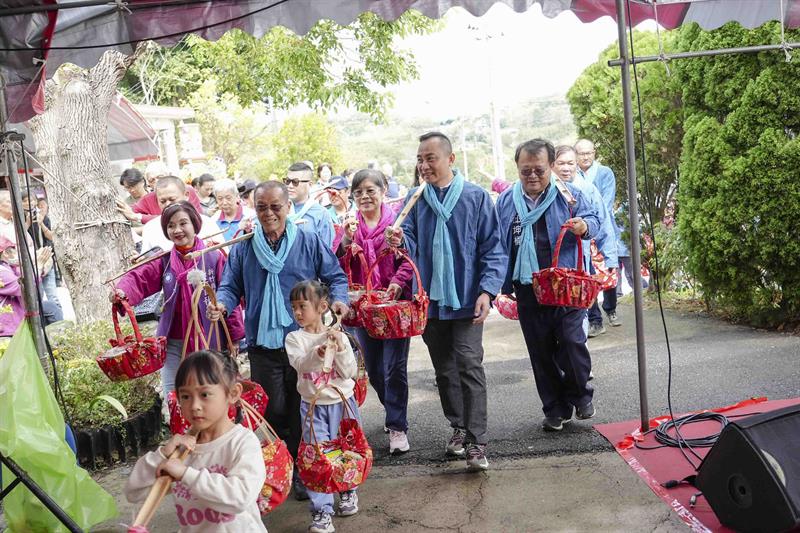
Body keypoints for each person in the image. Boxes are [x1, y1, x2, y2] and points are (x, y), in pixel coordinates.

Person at [209, 181, 348, 500]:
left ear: (288, 207)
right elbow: (230, 286)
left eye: (275, 207)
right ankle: (283, 463)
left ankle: (302, 469)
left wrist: (339, 300)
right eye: (262, 207)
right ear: (253, 209)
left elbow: (335, 277)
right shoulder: (243, 245)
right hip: (263, 344)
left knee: (304, 407)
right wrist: (223, 305)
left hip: (305, 342)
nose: (269, 213)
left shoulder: (308, 240)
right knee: (272, 409)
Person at [386, 132, 505, 471]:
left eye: (430, 158)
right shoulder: (415, 200)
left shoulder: (475, 197)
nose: (424, 166)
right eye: (419, 160)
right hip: (430, 301)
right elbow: (409, 244)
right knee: (444, 370)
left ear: (450, 159)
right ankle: (459, 426)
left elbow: (493, 248)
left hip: (467, 298)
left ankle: (477, 441)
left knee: (469, 364)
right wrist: (399, 239)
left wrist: (487, 291)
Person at [495, 139, 600, 432]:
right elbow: (497, 242)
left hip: (566, 284)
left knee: (571, 341)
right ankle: (555, 408)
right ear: (517, 168)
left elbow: (595, 221)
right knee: (540, 351)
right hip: (527, 285)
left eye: (539, 170)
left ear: (551, 166)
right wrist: (499, 283)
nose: (532, 176)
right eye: (525, 170)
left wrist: (584, 226)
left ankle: (580, 394)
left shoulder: (570, 195)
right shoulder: (506, 201)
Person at [124, 350, 267, 532]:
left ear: (232, 393)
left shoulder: (243, 442)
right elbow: (134, 492)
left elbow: (240, 497)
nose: (194, 406)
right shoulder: (181, 451)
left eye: (204, 394)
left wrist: (186, 475)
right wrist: (162, 455)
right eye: (185, 396)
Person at [111, 202, 244, 395]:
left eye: (183, 223)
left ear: (195, 225)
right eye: (171, 226)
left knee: (209, 395)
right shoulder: (163, 260)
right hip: (173, 341)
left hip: (210, 338)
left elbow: (228, 292)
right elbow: (139, 278)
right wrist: (122, 291)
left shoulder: (214, 257)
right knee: (173, 395)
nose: (177, 230)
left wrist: (235, 336)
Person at [339, 169, 413, 454]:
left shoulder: (398, 223)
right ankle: (391, 408)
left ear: (383, 191)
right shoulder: (349, 227)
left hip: (393, 308)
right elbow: (338, 265)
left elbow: (410, 259)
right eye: (358, 192)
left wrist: (397, 283)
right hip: (364, 309)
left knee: (394, 368)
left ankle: (397, 425)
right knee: (373, 369)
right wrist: (346, 243)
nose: (365, 196)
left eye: (371, 190)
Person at [286, 280, 360, 533]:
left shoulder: (338, 334)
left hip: (343, 403)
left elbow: (349, 371)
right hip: (312, 406)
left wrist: (340, 347)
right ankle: (321, 510)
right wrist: (318, 353)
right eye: (294, 307)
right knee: (317, 456)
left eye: (302, 306)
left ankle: (348, 490)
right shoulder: (295, 338)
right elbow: (301, 365)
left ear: (322, 307)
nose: (297, 312)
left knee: (346, 451)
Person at [553, 145, 618, 337]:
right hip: (557, 260)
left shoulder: (587, 189)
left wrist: (610, 257)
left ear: (577, 165)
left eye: (570, 163)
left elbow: (603, 222)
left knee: (582, 297)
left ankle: (593, 323)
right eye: (561, 163)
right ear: (552, 165)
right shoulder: (547, 191)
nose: (566, 168)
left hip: (584, 254)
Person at [575, 139, 621, 331]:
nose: (586, 157)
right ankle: (595, 319)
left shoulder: (604, 172)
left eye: (589, 153)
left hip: (602, 225)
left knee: (608, 270)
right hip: (582, 232)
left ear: (594, 153)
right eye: (581, 153)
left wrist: (594, 221)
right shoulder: (573, 174)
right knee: (588, 275)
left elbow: (606, 202)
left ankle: (611, 308)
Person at [139, 177, 220, 253]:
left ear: (186, 195)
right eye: (163, 201)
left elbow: (221, 256)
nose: (168, 205)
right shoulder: (150, 228)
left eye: (172, 199)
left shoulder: (207, 224)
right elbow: (147, 260)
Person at [0, 236, 61, 335]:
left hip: (18, 314)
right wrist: (39, 266)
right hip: (9, 327)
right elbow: (23, 286)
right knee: (52, 309)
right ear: (5, 253)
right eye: (14, 250)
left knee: (52, 307)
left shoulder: (9, 268)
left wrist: (39, 264)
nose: (17, 253)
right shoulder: (2, 272)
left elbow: (25, 276)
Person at [20, 189, 61, 312]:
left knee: (53, 296)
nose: (29, 203)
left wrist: (41, 223)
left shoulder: (44, 217)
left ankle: (59, 318)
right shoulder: (18, 218)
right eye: (25, 201)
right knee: (38, 296)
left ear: (36, 202)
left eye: (32, 200)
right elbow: (18, 237)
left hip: (46, 259)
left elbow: (51, 237)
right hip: (31, 262)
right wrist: (27, 223)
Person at [285, 162, 335, 247]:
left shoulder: (321, 214)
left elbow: (326, 250)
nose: (290, 186)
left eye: (295, 182)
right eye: (287, 181)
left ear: (310, 184)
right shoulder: (279, 209)